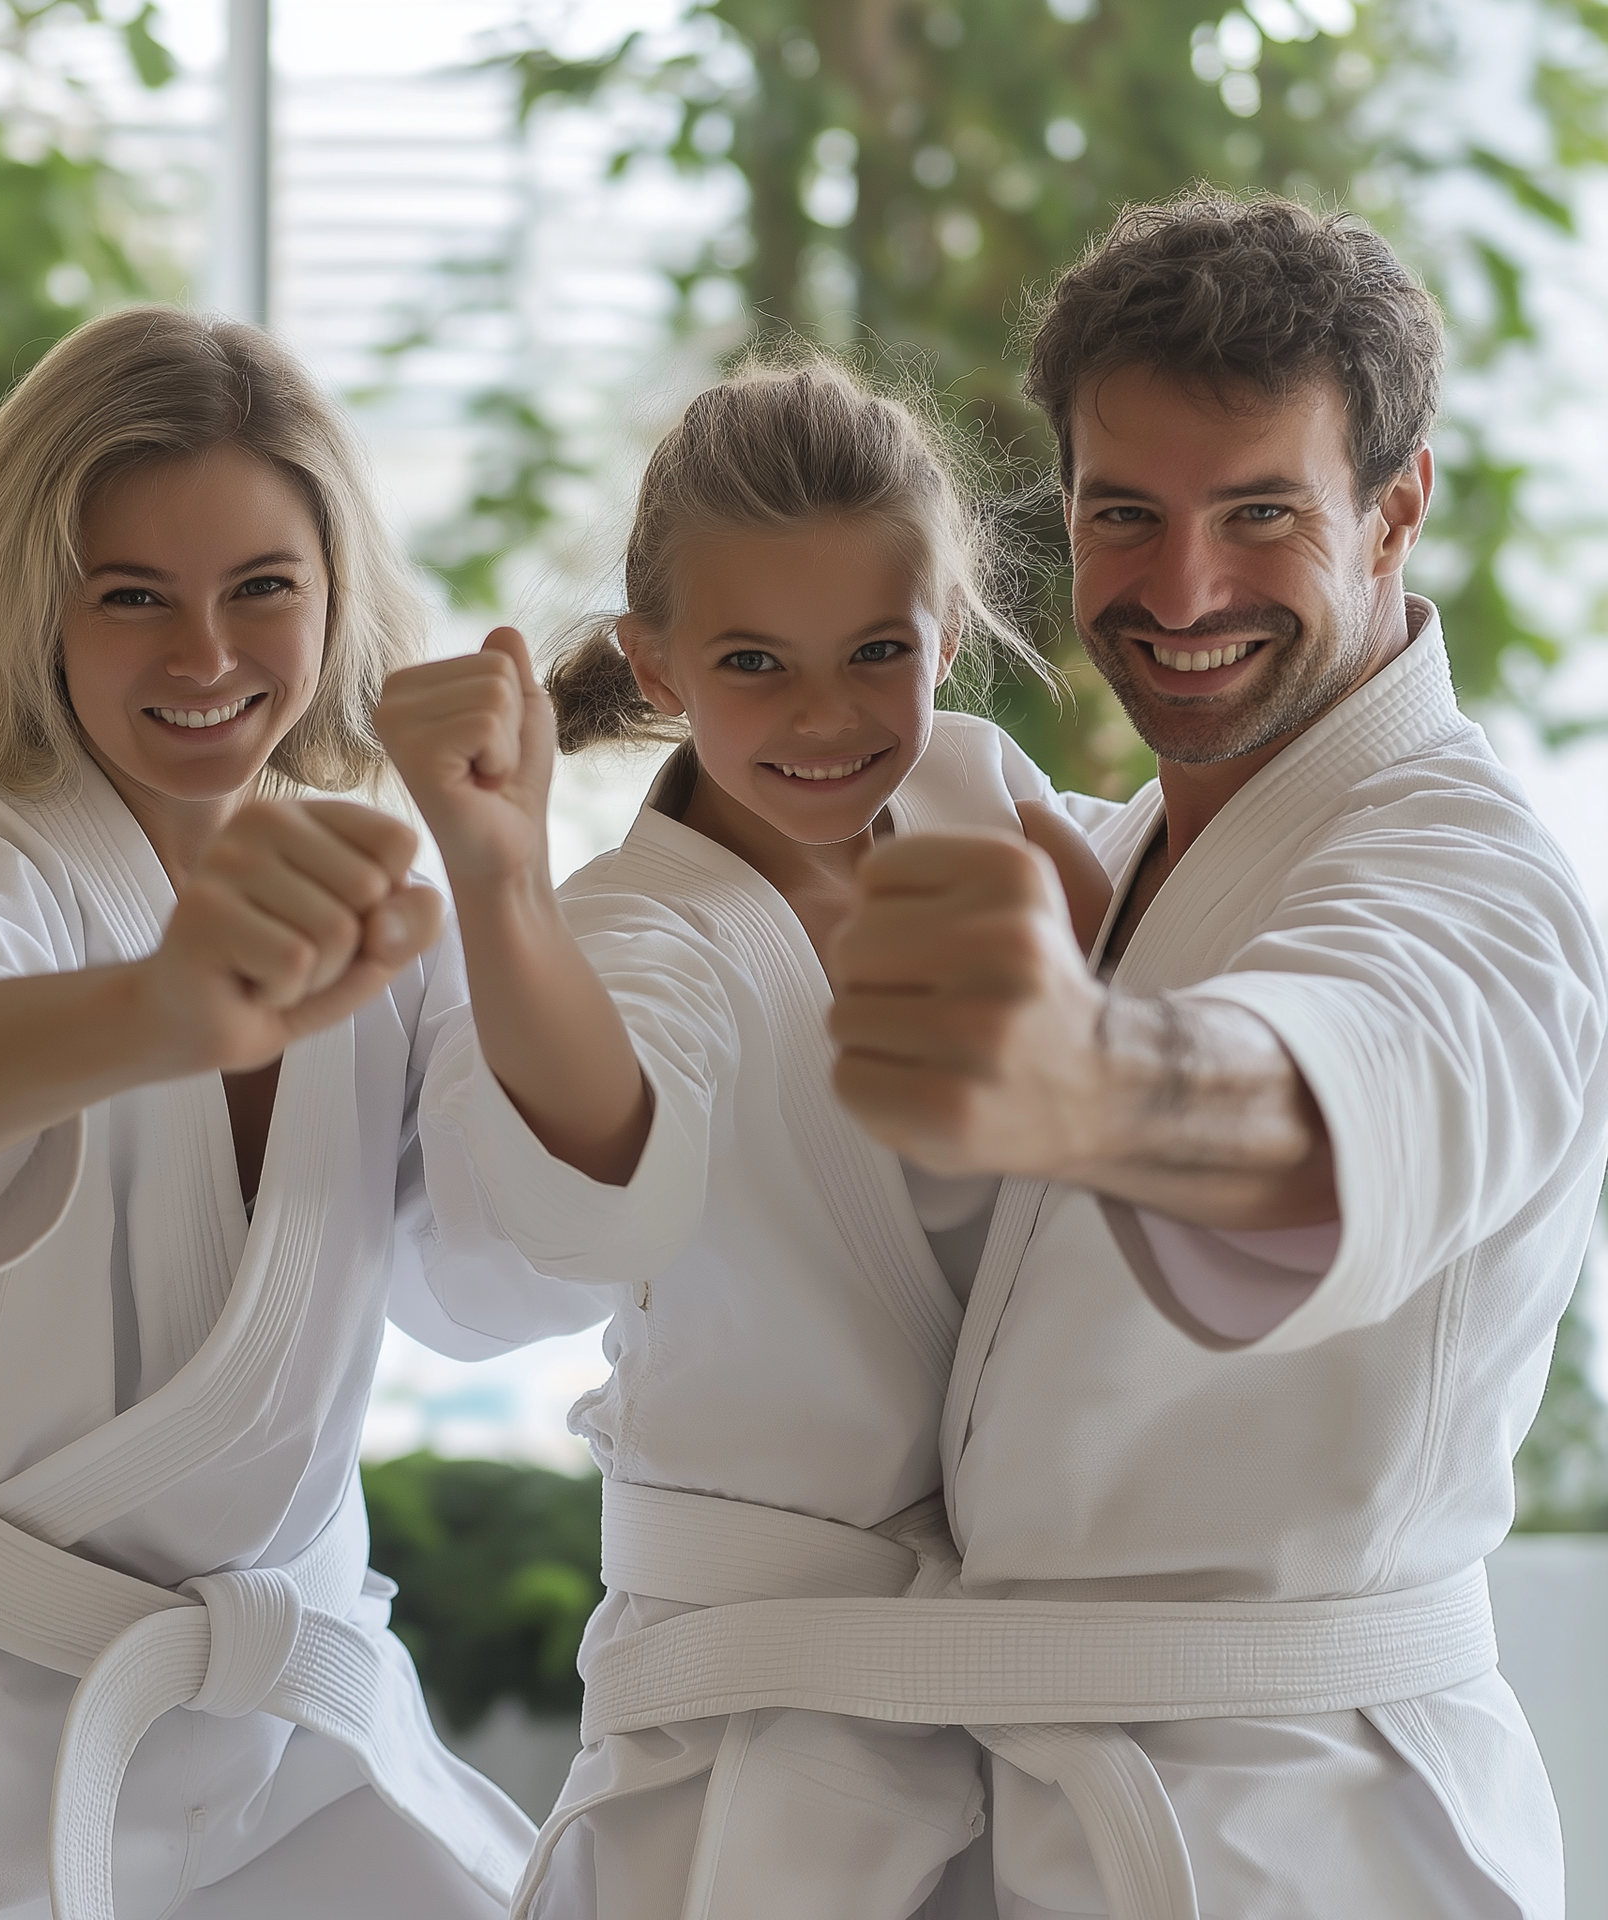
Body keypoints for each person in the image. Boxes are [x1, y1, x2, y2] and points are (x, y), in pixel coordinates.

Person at [596, 198, 1608, 1917]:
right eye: (1123, 514)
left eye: (1261, 514)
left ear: (1397, 509)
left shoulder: (1471, 883)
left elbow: (1349, 1077)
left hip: (1296, 1840)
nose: (1183, 588)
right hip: (1012, 1806)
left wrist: (1096, 1087)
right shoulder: (1126, 850)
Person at [0, 306, 562, 1920]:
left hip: (286, 1732)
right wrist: (158, 1008)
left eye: (264, 590)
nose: (205, 657)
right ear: (40, 614)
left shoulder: (392, 904)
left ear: (334, 603)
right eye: (133, 599)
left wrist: (508, 874)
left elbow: (519, 1260)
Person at [376, 357, 1111, 1920]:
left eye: (878, 653)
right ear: (657, 664)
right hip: (742, 1734)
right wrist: (502, 886)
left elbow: (1133, 1013)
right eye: (755, 662)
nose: (829, 717)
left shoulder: (981, 793)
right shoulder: (639, 936)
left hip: (1022, 1694)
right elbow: (596, 1206)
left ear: (950, 636)